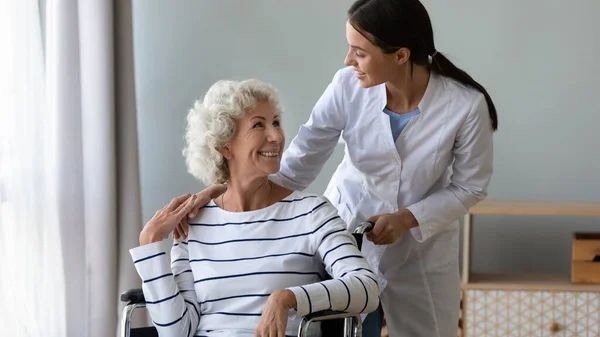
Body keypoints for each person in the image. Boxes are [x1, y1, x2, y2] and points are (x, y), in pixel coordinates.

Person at [178, 0, 497, 336]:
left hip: (420, 252)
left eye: (359, 52)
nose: (348, 61)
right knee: (343, 328)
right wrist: (231, 194)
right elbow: (303, 156)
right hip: (346, 232)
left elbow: (470, 187)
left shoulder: (465, 105)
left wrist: (407, 218)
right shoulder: (347, 86)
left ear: (400, 55)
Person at [130, 79, 380, 337]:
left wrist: (287, 298)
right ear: (225, 146)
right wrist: (150, 242)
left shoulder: (311, 213)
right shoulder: (194, 226)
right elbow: (176, 332)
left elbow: (366, 288)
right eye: (259, 124)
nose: (276, 136)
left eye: (276, 123)